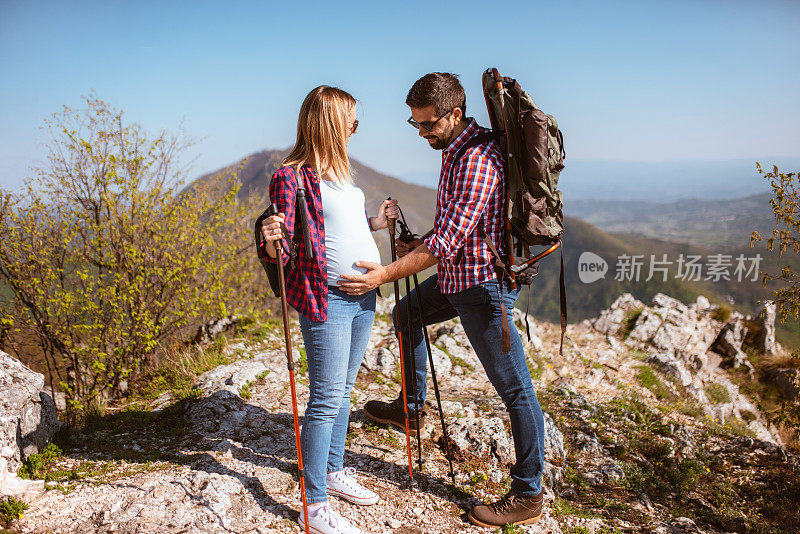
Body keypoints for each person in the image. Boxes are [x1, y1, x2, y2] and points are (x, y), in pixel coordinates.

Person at [338, 72, 547, 528]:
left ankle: (529, 492)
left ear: (454, 114)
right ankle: (411, 411)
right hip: (458, 278)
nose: (421, 133)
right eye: (414, 124)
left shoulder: (475, 159)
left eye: (428, 124)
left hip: (483, 288)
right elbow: (453, 228)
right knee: (407, 314)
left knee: (515, 391)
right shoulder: (453, 150)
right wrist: (413, 248)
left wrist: (386, 273)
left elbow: (445, 243)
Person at [260, 85, 398, 534]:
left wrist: (375, 223)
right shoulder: (291, 176)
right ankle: (313, 505)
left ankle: (335, 472)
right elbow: (284, 252)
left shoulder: (341, 174)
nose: (356, 129)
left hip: (364, 297)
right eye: (351, 121)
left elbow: (338, 226)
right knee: (323, 400)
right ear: (330, 123)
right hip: (328, 298)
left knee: (343, 392)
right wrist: (269, 238)